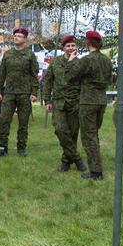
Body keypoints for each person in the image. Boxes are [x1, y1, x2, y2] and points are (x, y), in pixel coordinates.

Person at [64, 30, 112, 180]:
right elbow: (110, 79)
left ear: (88, 43)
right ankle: (96, 166)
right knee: (94, 134)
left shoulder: (86, 59)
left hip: (87, 101)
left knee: (88, 136)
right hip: (102, 100)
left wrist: (71, 61)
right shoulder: (106, 60)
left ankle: (96, 171)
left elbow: (70, 77)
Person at [0, 28, 38, 158]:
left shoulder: (30, 55)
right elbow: (2, 74)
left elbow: (34, 75)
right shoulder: (8, 54)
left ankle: (21, 147)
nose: (16, 38)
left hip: (25, 93)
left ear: (25, 39)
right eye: (15, 36)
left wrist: (34, 92)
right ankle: (2, 147)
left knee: (23, 122)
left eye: (19, 36)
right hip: (9, 93)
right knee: (4, 120)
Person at [43, 35, 85, 173]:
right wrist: (47, 100)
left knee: (72, 133)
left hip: (75, 102)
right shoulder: (55, 62)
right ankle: (77, 159)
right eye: (68, 46)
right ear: (63, 48)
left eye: (73, 46)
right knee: (60, 129)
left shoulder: (80, 63)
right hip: (58, 101)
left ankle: (66, 161)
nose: (71, 48)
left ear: (76, 48)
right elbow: (48, 81)